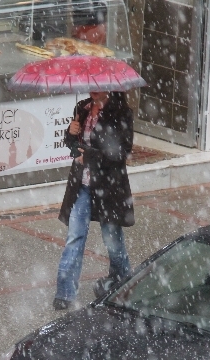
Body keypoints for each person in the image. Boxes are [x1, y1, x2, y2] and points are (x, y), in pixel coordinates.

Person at [53, 91, 134, 310]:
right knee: (75, 235)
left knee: (112, 238)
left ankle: (123, 281)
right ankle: (65, 292)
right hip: (82, 184)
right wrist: (70, 134)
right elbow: (73, 146)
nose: (93, 88)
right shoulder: (83, 108)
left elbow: (122, 152)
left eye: (98, 85)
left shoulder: (121, 112)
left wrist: (89, 155)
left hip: (109, 187)